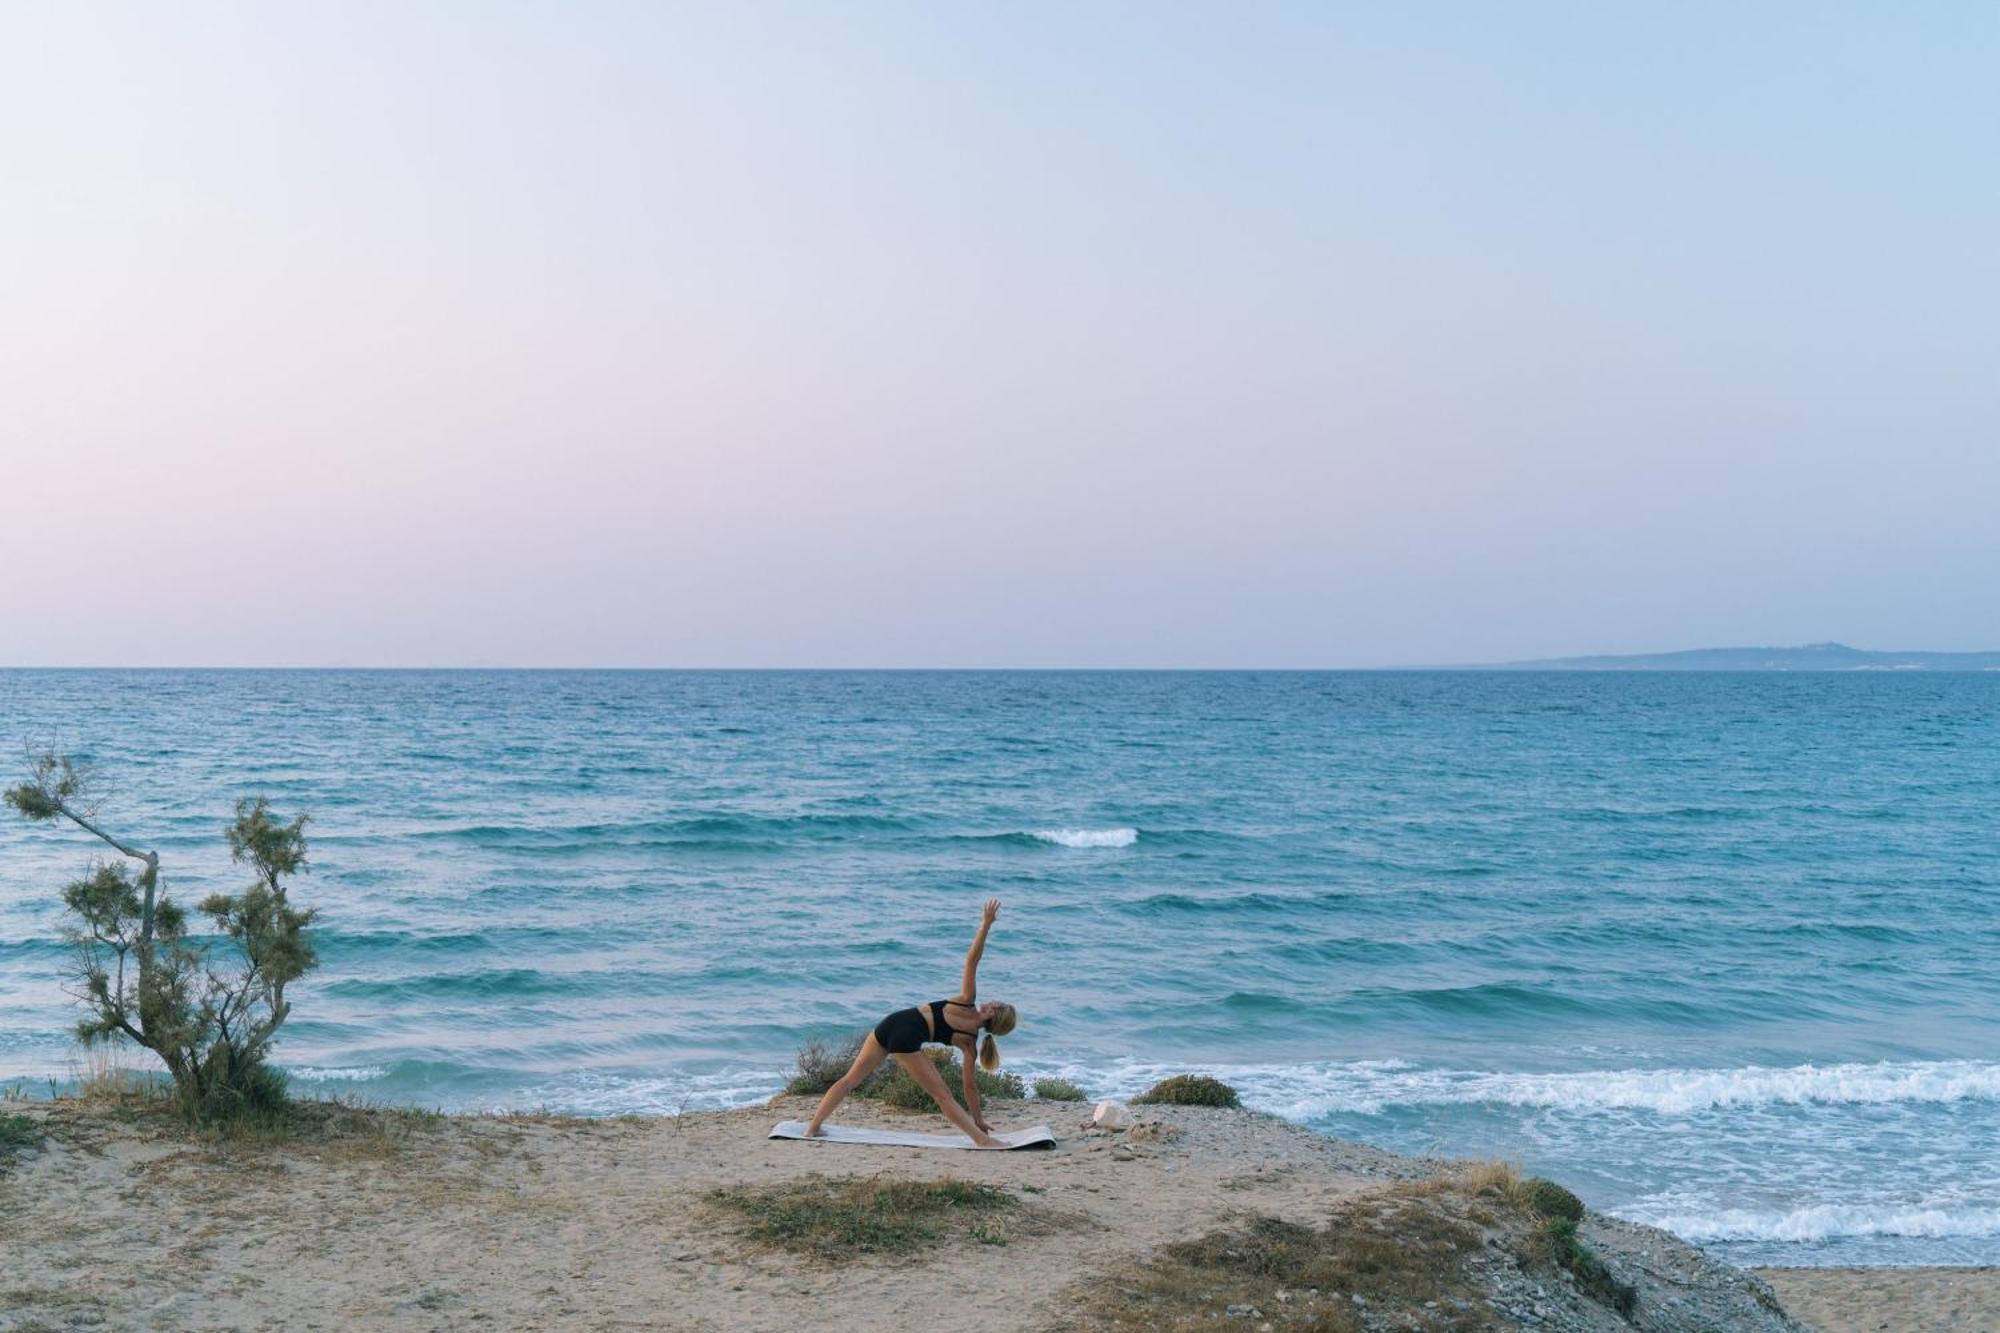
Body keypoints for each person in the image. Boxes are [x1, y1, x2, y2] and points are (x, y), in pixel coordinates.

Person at [804, 898, 1019, 1146]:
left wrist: (985, 925)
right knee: (943, 1096)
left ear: (995, 1014)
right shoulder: (969, 1041)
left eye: (997, 1004)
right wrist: (978, 1120)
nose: (993, 1001)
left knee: (849, 1080)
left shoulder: (967, 1002)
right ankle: (982, 1141)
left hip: (891, 1023)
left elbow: (971, 961)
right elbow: (969, 1088)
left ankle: (813, 1128)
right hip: (904, 1037)